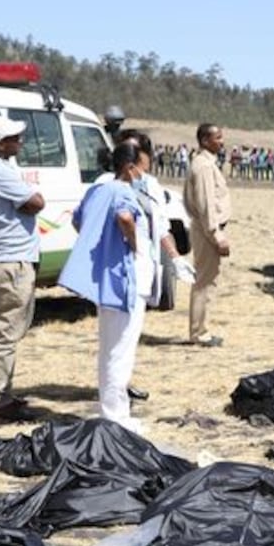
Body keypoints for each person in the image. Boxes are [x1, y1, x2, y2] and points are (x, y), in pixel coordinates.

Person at [59, 142, 150, 434]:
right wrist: (132, 244)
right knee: (121, 348)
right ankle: (116, 416)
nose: (144, 175)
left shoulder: (97, 190)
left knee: (109, 346)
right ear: (130, 168)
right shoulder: (123, 191)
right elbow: (125, 217)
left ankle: (112, 410)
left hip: (106, 277)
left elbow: (78, 220)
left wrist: (101, 244)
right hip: (123, 278)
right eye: (143, 169)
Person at [110, 130, 197, 401]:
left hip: (144, 269)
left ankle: (123, 384)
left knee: (130, 333)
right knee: (116, 336)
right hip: (119, 268)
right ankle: (114, 394)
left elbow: (161, 226)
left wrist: (176, 258)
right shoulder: (107, 184)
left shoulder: (151, 185)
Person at [0, 115, 45, 422]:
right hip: (11, 260)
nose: (20, 141)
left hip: (4, 257)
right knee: (7, 332)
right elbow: (36, 202)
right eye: (14, 138)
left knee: (5, 329)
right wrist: (30, 194)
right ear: (0, 144)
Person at [183, 122, 231, 347]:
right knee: (203, 282)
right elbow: (206, 205)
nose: (222, 141)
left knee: (206, 281)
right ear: (204, 140)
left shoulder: (206, 163)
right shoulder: (203, 166)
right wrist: (216, 235)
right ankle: (199, 332)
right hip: (207, 230)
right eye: (217, 137)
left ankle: (201, 328)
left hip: (205, 229)